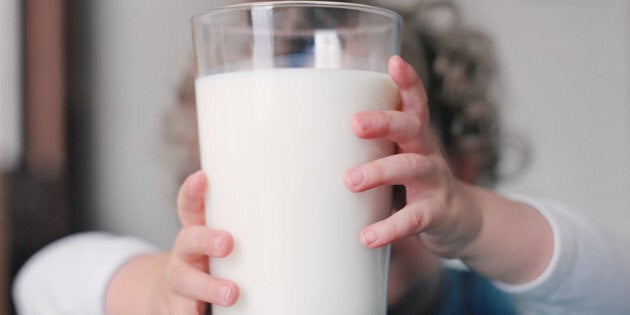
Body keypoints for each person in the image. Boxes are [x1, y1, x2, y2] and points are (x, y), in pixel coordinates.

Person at [12, 1, 630, 314]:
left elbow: (614, 284)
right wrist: (155, 292)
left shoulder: (488, 299)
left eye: (390, 188)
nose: (345, 227)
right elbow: (41, 280)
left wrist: (474, 220)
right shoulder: (210, 293)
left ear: (459, 166)